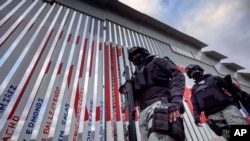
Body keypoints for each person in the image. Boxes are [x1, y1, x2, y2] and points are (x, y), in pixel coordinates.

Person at [119, 46, 186, 141]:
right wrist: (126, 89)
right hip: (142, 114)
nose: (135, 57)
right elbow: (133, 100)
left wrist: (175, 102)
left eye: (137, 54)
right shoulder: (134, 77)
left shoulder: (156, 61)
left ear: (144, 53)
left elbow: (178, 76)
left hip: (160, 106)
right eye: (133, 57)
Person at [185, 64, 247, 140]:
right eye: (192, 72)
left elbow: (231, 89)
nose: (194, 72)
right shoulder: (194, 89)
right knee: (228, 136)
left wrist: (237, 97)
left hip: (228, 108)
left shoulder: (214, 78)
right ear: (190, 75)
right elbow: (195, 105)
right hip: (212, 114)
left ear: (201, 70)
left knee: (239, 130)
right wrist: (196, 117)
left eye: (196, 70)